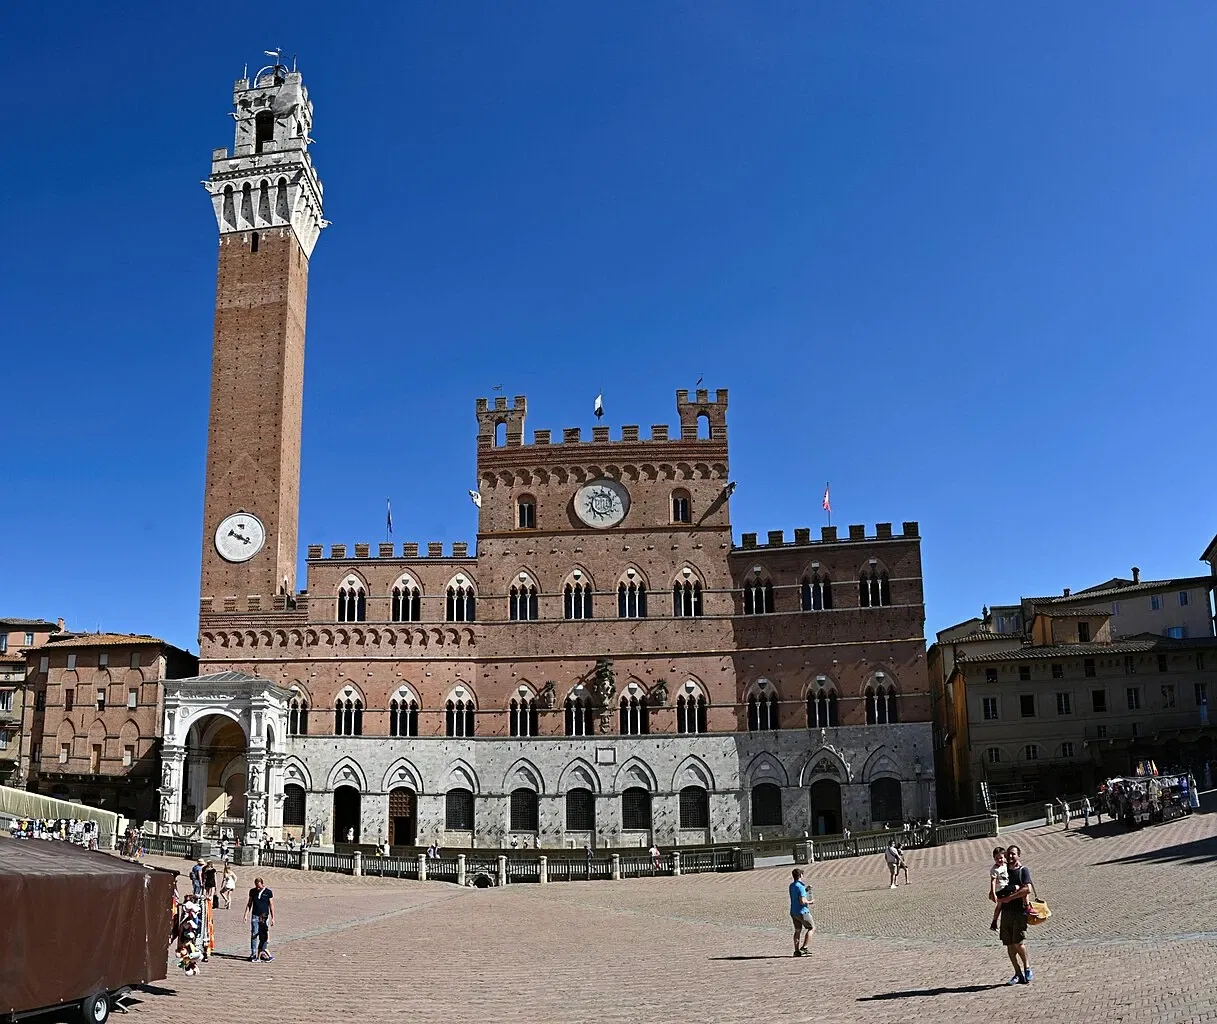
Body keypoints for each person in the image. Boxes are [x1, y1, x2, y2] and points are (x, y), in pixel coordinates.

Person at [996, 844, 1033, 984]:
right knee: (1009, 944)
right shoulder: (1003, 871)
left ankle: (1027, 967)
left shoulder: (1023, 871)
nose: (1010, 856)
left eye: (1013, 854)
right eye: (1009, 854)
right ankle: (1017, 973)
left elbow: (1027, 889)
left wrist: (1010, 897)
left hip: (1019, 911)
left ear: (1018, 855)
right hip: (1006, 912)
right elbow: (997, 890)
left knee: (1018, 942)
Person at [243, 877, 275, 962]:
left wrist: (273, 918)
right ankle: (253, 954)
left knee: (263, 935)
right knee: (254, 934)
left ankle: (262, 953)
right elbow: (249, 903)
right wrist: (246, 914)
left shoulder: (268, 892)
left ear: (262, 884)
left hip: (264, 916)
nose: (257, 888)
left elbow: (271, 905)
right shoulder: (252, 891)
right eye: (256, 886)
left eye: (259, 886)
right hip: (255, 915)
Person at [788, 868, 815, 957]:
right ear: (800, 875)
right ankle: (804, 948)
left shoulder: (792, 885)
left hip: (793, 911)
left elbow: (797, 895)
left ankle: (796, 950)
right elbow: (802, 901)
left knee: (797, 930)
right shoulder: (800, 887)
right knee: (812, 928)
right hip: (802, 912)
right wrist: (810, 902)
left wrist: (806, 890)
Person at [987, 846, 1007, 931]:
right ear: (994, 858)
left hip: (1007, 887)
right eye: (997, 858)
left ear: (1005, 857)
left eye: (1001, 858)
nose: (999, 860)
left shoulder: (1006, 865)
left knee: (1002, 905)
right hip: (1000, 890)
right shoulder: (995, 869)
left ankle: (995, 923)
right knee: (1000, 906)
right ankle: (994, 922)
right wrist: (993, 893)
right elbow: (993, 881)